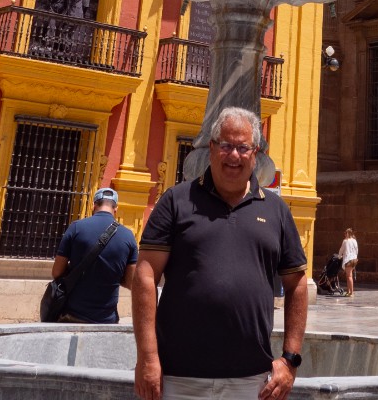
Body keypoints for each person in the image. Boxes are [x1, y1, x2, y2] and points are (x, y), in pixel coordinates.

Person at [132, 106, 308, 400]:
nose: (234, 155)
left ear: (255, 154)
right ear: (212, 148)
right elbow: (145, 275)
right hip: (179, 378)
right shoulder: (176, 201)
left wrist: (290, 359)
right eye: (226, 145)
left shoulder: (276, 210)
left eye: (243, 147)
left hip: (252, 380)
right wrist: (148, 357)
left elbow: (297, 283)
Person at [51, 186, 138, 324]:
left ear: (93, 205)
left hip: (72, 315)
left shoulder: (76, 227)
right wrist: (113, 274)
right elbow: (131, 282)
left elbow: (56, 272)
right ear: (116, 208)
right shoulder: (128, 236)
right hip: (106, 320)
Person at [338, 228, 358, 299]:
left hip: (348, 259)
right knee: (348, 276)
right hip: (354, 259)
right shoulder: (354, 241)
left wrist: (339, 256)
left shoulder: (345, 241)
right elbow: (356, 250)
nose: (344, 235)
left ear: (347, 234)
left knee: (349, 276)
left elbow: (341, 250)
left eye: (345, 233)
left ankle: (351, 292)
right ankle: (348, 291)